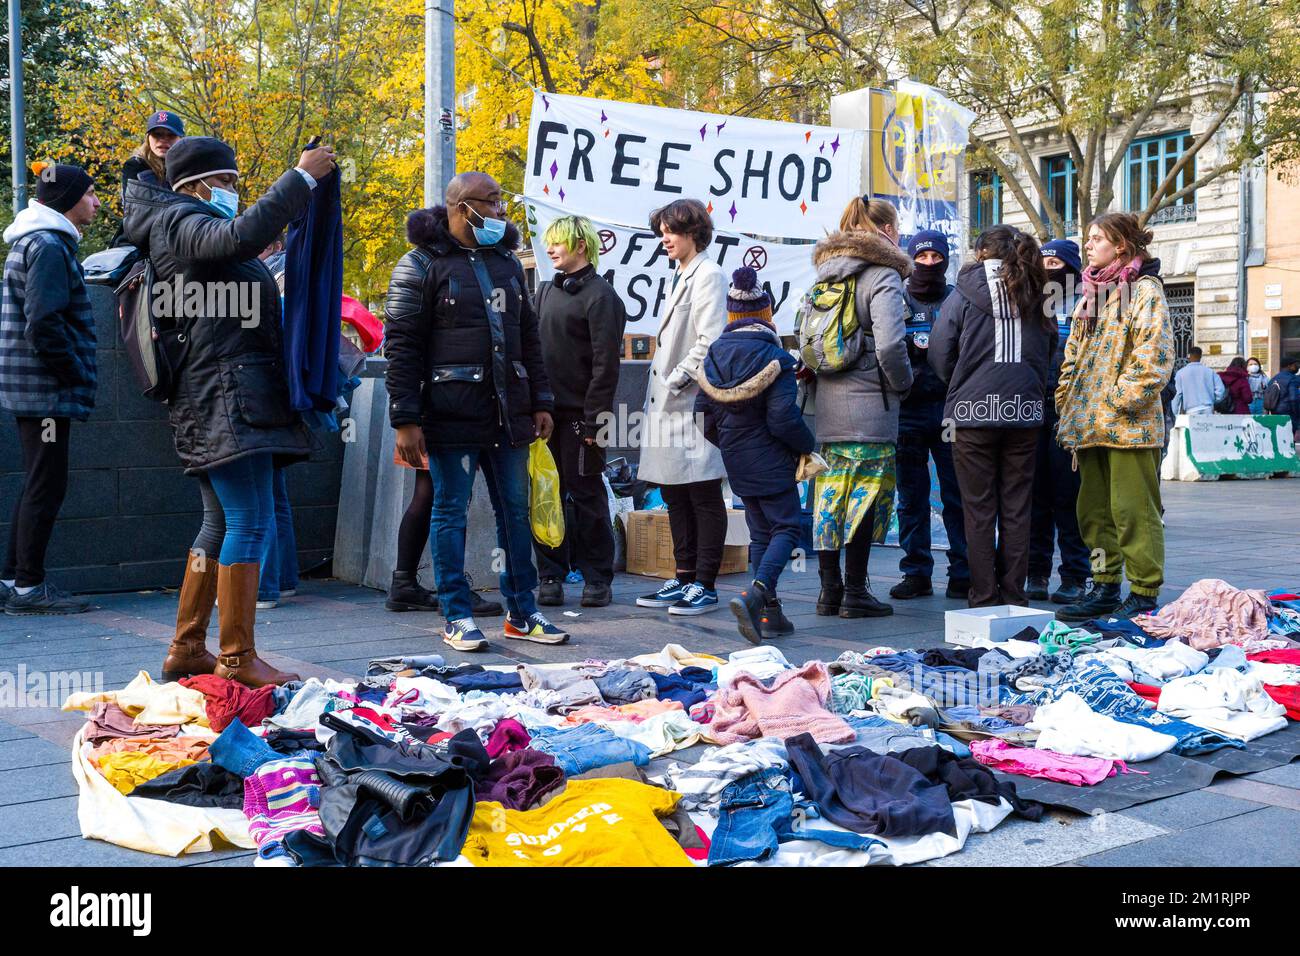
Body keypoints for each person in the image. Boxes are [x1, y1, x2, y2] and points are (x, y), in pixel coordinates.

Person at [124, 135, 337, 686]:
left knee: (218, 522)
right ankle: (237, 658)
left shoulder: (175, 225)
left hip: (223, 394)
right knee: (250, 519)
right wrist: (301, 178)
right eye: (228, 182)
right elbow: (240, 235)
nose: (234, 193)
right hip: (224, 397)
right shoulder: (179, 221)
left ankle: (188, 646)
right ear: (197, 184)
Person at [385, 171, 569, 651]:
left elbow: (528, 338)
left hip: (509, 413)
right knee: (450, 511)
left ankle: (522, 612)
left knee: (515, 509)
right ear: (462, 206)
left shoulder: (507, 262)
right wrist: (405, 418)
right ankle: (457, 615)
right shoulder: (419, 264)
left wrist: (542, 401)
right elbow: (401, 346)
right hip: (449, 413)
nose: (500, 212)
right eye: (492, 202)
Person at [1054, 213, 1173, 621]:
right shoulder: (1092, 294)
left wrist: (1119, 401)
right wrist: (1066, 397)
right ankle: (1104, 586)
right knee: (1095, 512)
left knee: (1133, 511)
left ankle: (1143, 591)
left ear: (1121, 245)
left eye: (1096, 238)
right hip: (1087, 426)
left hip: (1130, 427)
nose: (1088, 245)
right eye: (1087, 239)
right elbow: (1073, 352)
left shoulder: (1145, 290)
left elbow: (1154, 355)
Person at [929, 225, 1052, 608]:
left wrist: (962, 382)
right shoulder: (1037, 287)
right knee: (1018, 506)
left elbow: (939, 349)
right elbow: (1050, 348)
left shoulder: (964, 291)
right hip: (1026, 412)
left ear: (981, 252)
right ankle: (1015, 594)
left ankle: (982, 596)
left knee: (978, 507)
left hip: (972, 413)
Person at [1, 164, 100, 615]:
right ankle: (28, 587)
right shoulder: (47, 246)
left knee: (36, 483)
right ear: (68, 201)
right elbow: (44, 323)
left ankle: (12, 581)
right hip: (45, 392)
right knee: (46, 484)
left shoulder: (35, 240)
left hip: (35, 389)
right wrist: (75, 370)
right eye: (91, 194)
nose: (96, 202)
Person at [695, 267, 815, 643]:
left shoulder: (713, 355)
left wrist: (730, 444)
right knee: (787, 527)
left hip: (736, 459)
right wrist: (806, 446)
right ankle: (757, 592)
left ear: (731, 316)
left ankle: (768, 615)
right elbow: (782, 418)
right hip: (772, 459)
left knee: (761, 532)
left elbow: (702, 415)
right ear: (766, 314)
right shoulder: (776, 357)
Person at [809, 197, 913, 618]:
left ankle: (827, 593)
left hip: (829, 410)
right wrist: (903, 383)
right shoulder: (883, 275)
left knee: (829, 500)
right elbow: (890, 343)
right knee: (866, 501)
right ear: (887, 230)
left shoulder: (825, 274)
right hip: (871, 407)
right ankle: (856, 592)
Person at [635, 199, 729, 617]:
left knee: (704, 490)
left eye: (671, 230)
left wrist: (678, 379)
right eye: (662, 231)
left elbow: (711, 338)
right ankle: (684, 573)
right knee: (674, 492)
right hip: (671, 405)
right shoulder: (682, 275)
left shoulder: (708, 274)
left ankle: (704, 584)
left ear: (694, 232)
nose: (664, 238)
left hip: (692, 403)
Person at [534, 214, 627, 608]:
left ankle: (597, 579)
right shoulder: (543, 292)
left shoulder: (602, 297)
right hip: (544, 417)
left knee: (587, 496)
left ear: (581, 246)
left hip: (582, 421)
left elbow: (606, 367)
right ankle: (550, 576)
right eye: (549, 242)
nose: (550, 248)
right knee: (544, 496)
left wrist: (594, 423)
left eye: (558, 243)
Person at [889, 229, 970, 603]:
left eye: (936, 259)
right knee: (911, 499)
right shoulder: (896, 299)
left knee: (956, 495)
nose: (929, 265)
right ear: (911, 260)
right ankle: (916, 572)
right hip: (906, 411)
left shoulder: (957, 299)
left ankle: (963, 571)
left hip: (950, 411)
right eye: (921, 259)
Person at [1027, 238, 1090, 605]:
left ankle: (1075, 577)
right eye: (1044, 263)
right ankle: (1035, 573)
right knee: (1035, 499)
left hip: (1071, 414)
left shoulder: (1088, 302)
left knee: (1070, 500)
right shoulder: (1031, 303)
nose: (1051, 269)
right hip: (1033, 411)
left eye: (1057, 263)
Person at [124, 110, 184, 190]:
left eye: (171, 135)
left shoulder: (190, 166)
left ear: (181, 139)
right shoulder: (135, 165)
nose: (163, 140)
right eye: (157, 134)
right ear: (148, 138)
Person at [1171, 346, 1223, 415]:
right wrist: (1214, 401)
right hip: (1208, 409)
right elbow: (1220, 390)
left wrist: (1175, 412)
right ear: (1200, 356)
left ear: (1188, 356)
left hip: (1191, 411)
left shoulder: (1180, 373)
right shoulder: (1210, 372)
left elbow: (1177, 394)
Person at [1263, 356, 1300, 438]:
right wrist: (1297, 414)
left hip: (1275, 412)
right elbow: (1293, 399)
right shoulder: (1292, 379)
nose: (1298, 367)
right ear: (1289, 366)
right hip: (1289, 413)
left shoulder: (1273, 379)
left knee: (1279, 437)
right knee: (1289, 437)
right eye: (1295, 365)